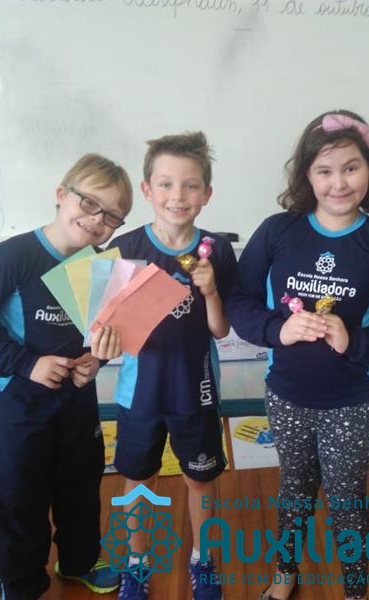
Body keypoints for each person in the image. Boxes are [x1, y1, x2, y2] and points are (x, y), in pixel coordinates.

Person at [226, 109, 369, 600]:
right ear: (306, 175)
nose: (338, 183)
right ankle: (285, 573)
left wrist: (354, 341)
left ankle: (355, 588)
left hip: (354, 401)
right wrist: (279, 329)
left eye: (351, 168)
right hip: (286, 395)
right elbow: (239, 301)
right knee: (294, 489)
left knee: (346, 498)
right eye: (324, 170)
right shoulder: (277, 231)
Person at [0, 154, 134, 599]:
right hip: (14, 402)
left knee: (81, 483)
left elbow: (102, 333)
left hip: (74, 400)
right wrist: (25, 364)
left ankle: (79, 560)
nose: (98, 219)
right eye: (89, 203)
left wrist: (95, 361)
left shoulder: (102, 266)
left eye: (112, 215)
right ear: (61, 195)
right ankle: (22, 585)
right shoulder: (9, 258)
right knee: (19, 494)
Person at [97, 132, 236, 600]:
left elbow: (220, 330)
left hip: (196, 390)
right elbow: (107, 331)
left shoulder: (217, 250)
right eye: (166, 184)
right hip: (140, 391)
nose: (178, 195)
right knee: (138, 479)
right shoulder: (125, 248)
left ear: (207, 194)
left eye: (191, 185)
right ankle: (137, 563)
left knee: (201, 479)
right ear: (147, 190)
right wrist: (102, 343)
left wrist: (210, 290)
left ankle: (203, 559)